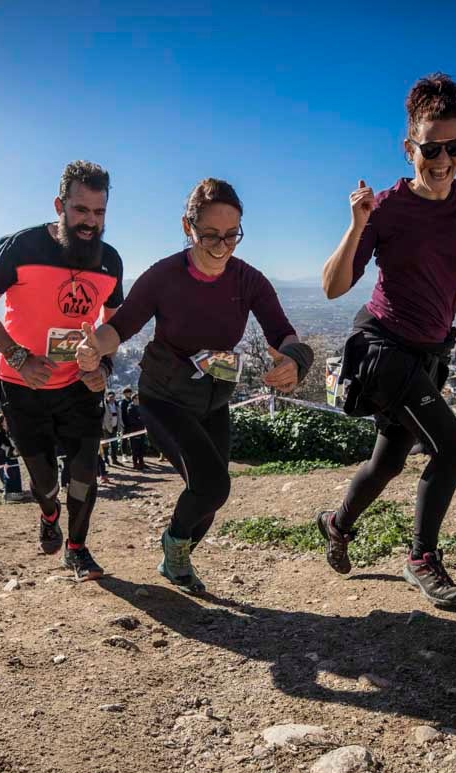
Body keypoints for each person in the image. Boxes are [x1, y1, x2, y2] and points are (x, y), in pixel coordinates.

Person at [318, 73, 456, 609]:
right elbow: (332, 286)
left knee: (388, 462)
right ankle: (422, 559)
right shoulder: (387, 207)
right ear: (409, 149)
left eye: (455, 147)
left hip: (427, 353)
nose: (443, 160)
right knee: (455, 448)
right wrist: (356, 224)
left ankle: (336, 523)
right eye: (431, 148)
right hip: (381, 347)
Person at [77, 178, 313, 593]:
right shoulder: (163, 276)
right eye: (210, 235)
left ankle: (175, 556)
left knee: (211, 497)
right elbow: (121, 326)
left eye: (231, 235)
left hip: (213, 399)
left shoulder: (248, 280)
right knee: (211, 485)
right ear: (187, 227)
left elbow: (282, 333)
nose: (222, 247)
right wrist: (93, 347)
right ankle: (174, 548)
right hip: (163, 397)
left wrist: (295, 360)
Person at [0, 160, 124, 580]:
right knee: (45, 482)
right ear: (59, 206)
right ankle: (49, 512)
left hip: (79, 386)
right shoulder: (21, 246)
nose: (90, 222)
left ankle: (77, 549)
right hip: (23, 386)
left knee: (84, 473)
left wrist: (103, 366)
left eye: (99, 212)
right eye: (80, 210)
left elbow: (115, 326)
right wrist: (19, 357)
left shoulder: (110, 261)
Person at [0, 414, 26, 501]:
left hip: (14, 456)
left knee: (16, 475)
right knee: (9, 476)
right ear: (1, 423)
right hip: (7, 458)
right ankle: (8, 494)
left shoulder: (10, 432)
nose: (7, 421)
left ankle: (17, 493)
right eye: (5, 420)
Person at [120, 387, 146, 469]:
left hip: (141, 429)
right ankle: (135, 463)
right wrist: (140, 419)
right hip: (134, 430)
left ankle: (141, 462)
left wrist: (140, 419)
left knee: (141, 447)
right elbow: (132, 420)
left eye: (139, 399)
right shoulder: (130, 408)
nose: (138, 400)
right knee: (135, 447)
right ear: (133, 399)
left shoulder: (140, 407)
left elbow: (144, 418)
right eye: (136, 398)